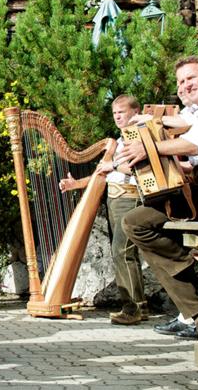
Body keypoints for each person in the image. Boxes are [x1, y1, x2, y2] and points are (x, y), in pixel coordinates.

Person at [120, 56, 198, 343]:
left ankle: (196, 277)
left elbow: (194, 143)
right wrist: (150, 121)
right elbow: (181, 121)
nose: (184, 85)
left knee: (137, 222)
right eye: (180, 82)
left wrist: (148, 148)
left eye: (190, 78)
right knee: (136, 222)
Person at [59, 95, 148, 325]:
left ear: (135, 111)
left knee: (122, 252)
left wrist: (114, 164)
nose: (117, 116)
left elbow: (136, 166)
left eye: (122, 112)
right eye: (115, 113)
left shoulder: (141, 134)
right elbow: (104, 173)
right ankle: (139, 305)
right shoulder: (120, 139)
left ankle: (133, 308)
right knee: (123, 253)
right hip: (115, 199)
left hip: (130, 197)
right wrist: (75, 184)